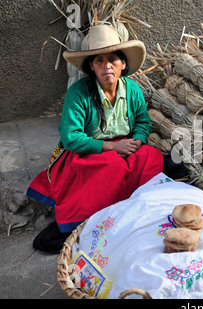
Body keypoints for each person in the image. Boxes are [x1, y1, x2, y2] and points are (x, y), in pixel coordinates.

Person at [27, 24, 164, 253]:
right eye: (99, 60)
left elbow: (143, 123)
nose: (106, 66)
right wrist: (111, 146)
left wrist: (137, 142)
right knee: (111, 165)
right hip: (90, 151)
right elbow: (71, 137)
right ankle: (98, 218)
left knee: (152, 156)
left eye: (112, 59)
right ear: (91, 66)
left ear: (123, 64)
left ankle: (135, 211)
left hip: (123, 147)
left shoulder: (132, 90)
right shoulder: (79, 92)